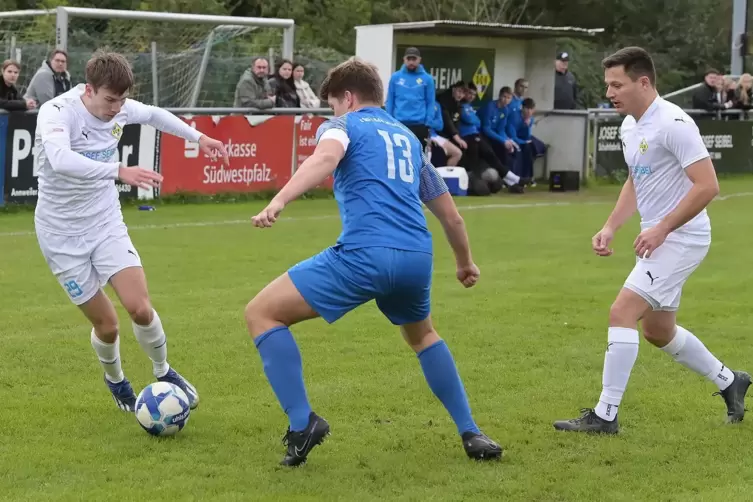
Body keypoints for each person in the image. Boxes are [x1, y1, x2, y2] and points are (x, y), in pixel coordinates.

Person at [245, 57, 502, 467]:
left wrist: (278, 201)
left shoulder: (343, 126)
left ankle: (302, 423)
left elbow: (324, 159)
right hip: (417, 257)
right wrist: (464, 262)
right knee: (423, 337)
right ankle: (471, 431)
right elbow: (449, 214)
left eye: (332, 103)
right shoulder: (408, 139)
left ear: (347, 98)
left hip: (366, 255)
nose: (331, 112)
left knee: (261, 314)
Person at [553, 47, 750, 434]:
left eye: (616, 84)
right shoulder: (630, 126)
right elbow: (635, 181)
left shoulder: (674, 123)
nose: (609, 92)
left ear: (643, 82)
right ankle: (730, 381)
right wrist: (611, 226)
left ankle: (605, 415)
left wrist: (662, 228)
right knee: (658, 331)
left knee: (621, 312)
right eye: (608, 84)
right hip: (661, 239)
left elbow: (708, 186)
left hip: (682, 238)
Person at [34, 50, 229, 413]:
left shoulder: (120, 106)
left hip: (105, 222)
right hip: (60, 235)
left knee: (140, 308)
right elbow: (60, 160)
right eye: (110, 100)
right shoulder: (58, 112)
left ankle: (164, 371)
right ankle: (116, 380)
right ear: (88, 89)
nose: (116, 108)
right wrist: (118, 171)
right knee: (107, 326)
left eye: (122, 100)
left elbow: (155, 114)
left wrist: (198, 137)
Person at [385, 47, 436, 149]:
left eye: (414, 59)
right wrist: (389, 121)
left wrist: (428, 123)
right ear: (404, 59)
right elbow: (390, 100)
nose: (411, 62)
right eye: (409, 59)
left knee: (418, 155)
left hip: (419, 124)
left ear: (419, 60)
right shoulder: (395, 77)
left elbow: (430, 102)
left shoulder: (427, 78)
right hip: (399, 123)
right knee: (399, 153)